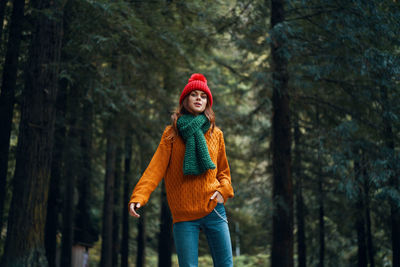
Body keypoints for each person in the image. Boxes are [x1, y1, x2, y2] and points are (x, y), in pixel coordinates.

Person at [128, 73, 234, 267]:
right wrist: (139, 196)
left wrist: (222, 192)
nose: (199, 99)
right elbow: (155, 168)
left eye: (203, 96)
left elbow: (224, 173)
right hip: (184, 214)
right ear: (185, 100)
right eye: (194, 94)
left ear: (207, 102)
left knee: (225, 265)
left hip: (213, 208)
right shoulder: (171, 134)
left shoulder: (215, 133)